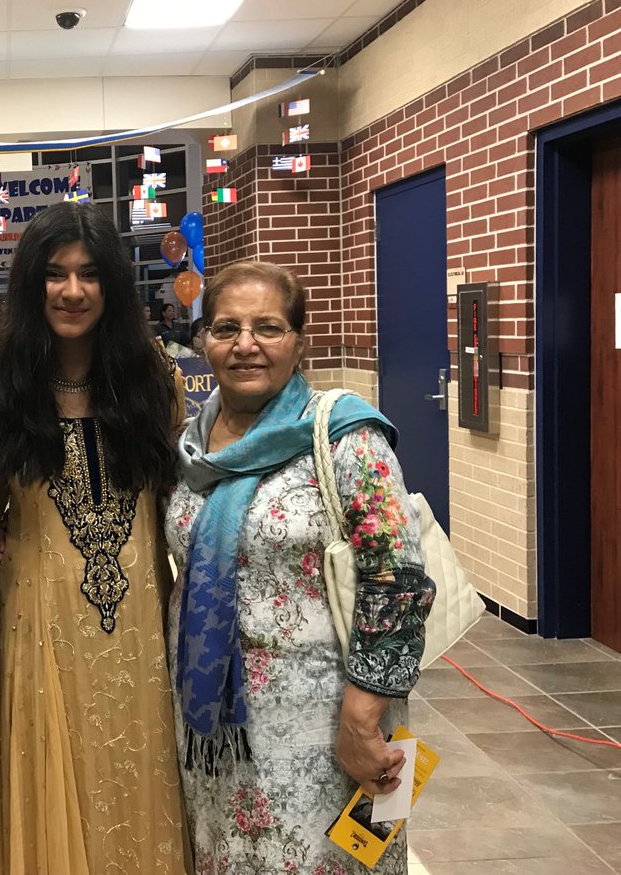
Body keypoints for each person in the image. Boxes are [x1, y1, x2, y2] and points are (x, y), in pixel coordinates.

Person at [164, 261, 436, 874]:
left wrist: (363, 722)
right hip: (216, 728)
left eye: (268, 328)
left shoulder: (344, 437)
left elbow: (398, 582)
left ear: (299, 340)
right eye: (225, 327)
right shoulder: (189, 446)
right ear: (203, 339)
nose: (245, 345)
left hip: (325, 723)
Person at [0, 201, 189, 874]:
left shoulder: (158, 388)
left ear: (112, 287)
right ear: (31, 284)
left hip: (142, 635)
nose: (72, 291)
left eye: (90, 274)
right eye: (55, 274)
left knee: (139, 783)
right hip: (39, 637)